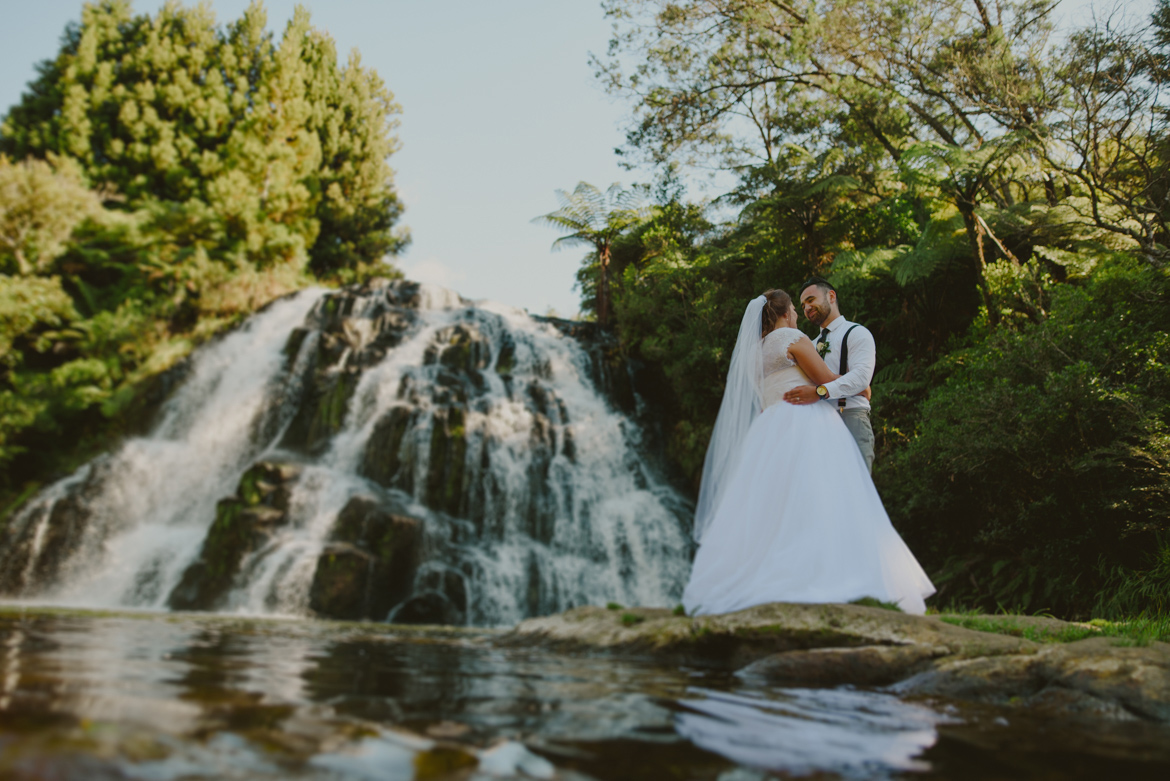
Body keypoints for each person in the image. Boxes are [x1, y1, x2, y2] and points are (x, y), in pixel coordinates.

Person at [681, 289, 935, 616]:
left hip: (768, 428)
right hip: (804, 421)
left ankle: (769, 579)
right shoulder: (792, 337)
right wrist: (861, 386)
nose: (800, 313)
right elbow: (827, 380)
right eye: (796, 308)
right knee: (824, 499)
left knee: (774, 507)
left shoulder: (750, 354)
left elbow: (761, 399)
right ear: (785, 311)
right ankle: (831, 576)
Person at [783, 277, 876, 471]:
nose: (806, 308)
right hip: (816, 426)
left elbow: (861, 378)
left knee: (855, 491)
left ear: (831, 296)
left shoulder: (857, 333)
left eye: (811, 300)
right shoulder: (808, 344)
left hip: (850, 417)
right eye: (802, 306)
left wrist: (819, 392)